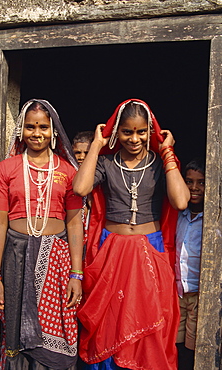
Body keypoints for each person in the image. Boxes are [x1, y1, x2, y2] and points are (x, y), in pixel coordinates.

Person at [73, 99, 190, 370]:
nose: (134, 139)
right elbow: (80, 188)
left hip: (150, 250)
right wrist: (96, 145)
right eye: (127, 131)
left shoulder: (159, 164)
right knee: (109, 324)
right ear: (117, 132)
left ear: (150, 131)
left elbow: (181, 201)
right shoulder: (106, 164)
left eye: (141, 132)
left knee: (149, 323)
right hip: (111, 253)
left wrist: (168, 153)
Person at [0, 99, 84, 370]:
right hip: (16, 256)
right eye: (30, 127)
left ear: (53, 130)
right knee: (16, 327)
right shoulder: (5, 169)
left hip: (57, 260)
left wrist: (77, 274)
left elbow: (75, 223)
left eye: (43, 126)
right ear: (21, 130)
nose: (37, 133)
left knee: (56, 327)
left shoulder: (67, 171)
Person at [175, 157, 205, 370]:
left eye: (201, 182)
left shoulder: (211, 219)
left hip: (199, 295)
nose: (194, 188)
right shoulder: (178, 215)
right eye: (189, 181)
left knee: (194, 347)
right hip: (177, 294)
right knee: (174, 343)